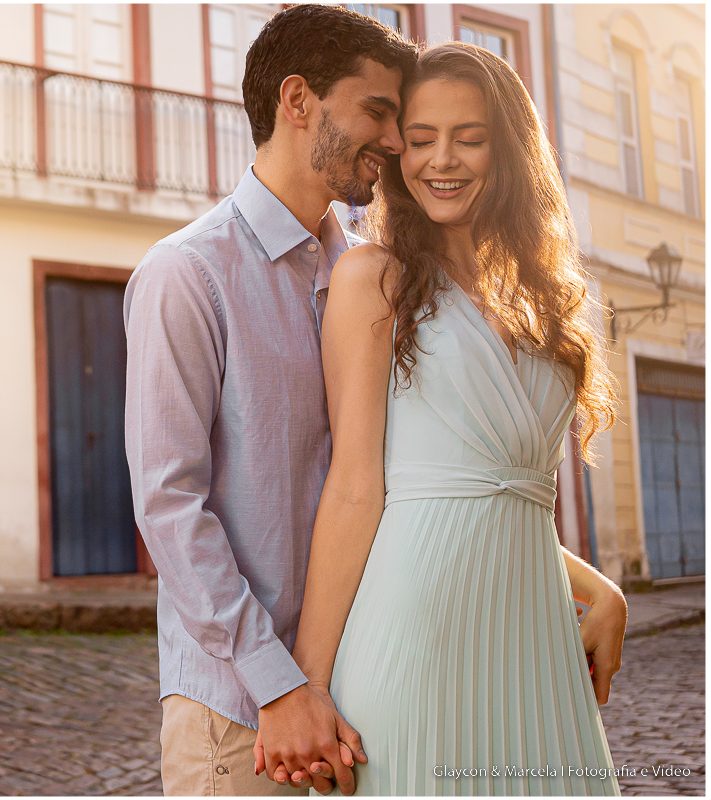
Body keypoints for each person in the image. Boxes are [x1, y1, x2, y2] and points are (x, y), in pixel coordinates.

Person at [260, 42, 627, 795]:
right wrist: (309, 684)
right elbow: (357, 488)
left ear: (510, 150)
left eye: (470, 137)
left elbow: (494, 490)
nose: (442, 160)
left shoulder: (537, 302)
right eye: (421, 138)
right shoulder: (373, 278)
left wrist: (602, 589)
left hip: (533, 637)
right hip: (415, 632)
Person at [123, 5, 416, 796]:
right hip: (244, 719)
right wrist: (279, 686)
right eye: (377, 111)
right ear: (298, 101)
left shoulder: (373, 280)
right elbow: (169, 505)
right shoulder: (186, 274)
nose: (396, 140)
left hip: (366, 697)